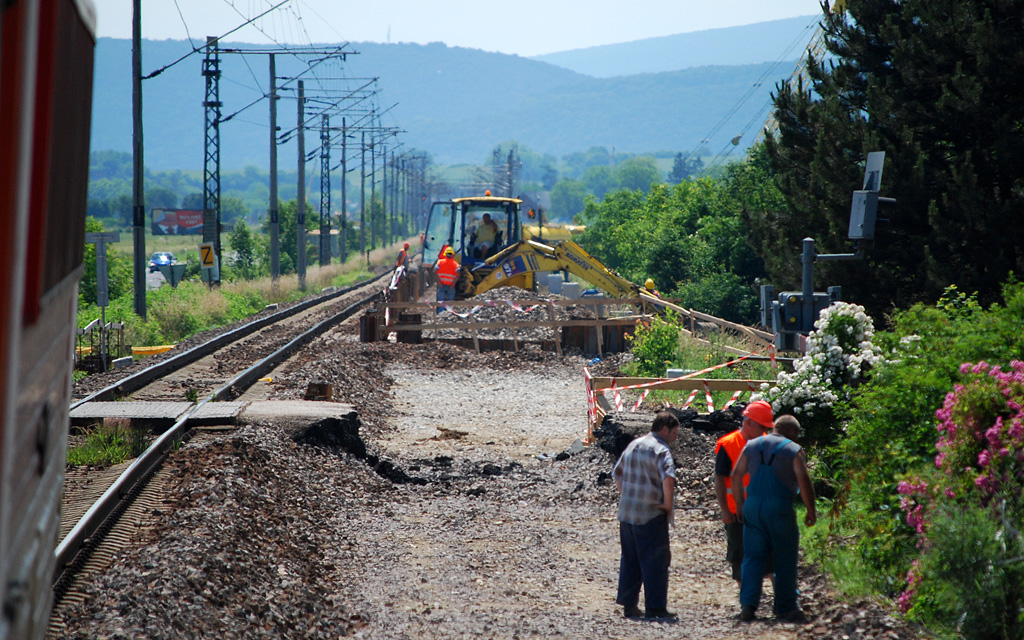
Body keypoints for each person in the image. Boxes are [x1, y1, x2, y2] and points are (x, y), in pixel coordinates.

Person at [731, 414, 817, 623]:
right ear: (793, 433)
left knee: (752, 557)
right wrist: (811, 510)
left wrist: (740, 505)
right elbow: (803, 481)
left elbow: (736, 475)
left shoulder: (752, 445)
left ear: (775, 427)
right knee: (785, 557)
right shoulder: (793, 450)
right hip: (779, 507)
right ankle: (785, 607)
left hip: (753, 506)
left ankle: (748, 606)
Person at [613, 411, 680, 621]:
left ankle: (629, 604)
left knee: (630, 559)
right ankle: (656, 607)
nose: (675, 438)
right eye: (674, 433)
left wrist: (627, 495)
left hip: (627, 512)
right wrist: (667, 505)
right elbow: (668, 478)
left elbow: (617, 473)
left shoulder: (634, 444)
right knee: (655, 561)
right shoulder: (661, 450)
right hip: (650, 514)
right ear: (664, 429)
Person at [714, 400, 774, 590]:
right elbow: (720, 480)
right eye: (762, 426)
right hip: (736, 514)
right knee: (741, 560)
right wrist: (724, 510)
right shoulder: (728, 445)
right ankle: (748, 603)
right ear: (748, 423)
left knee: (773, 559)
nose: (765, 430)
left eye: (767, 427)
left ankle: (783, 600)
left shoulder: (768, 444)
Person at [434, 246, 460, 312]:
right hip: (451, 286)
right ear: (453, 255)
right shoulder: (455, 264)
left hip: (441, 285)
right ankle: (448, 315)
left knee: (441, 302)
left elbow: (435, 271)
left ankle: (440, 315)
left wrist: (439, 282)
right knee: (450, 303)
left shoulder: (440, 262)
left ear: (445, 254)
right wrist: (453, 283)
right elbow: (458, 274)